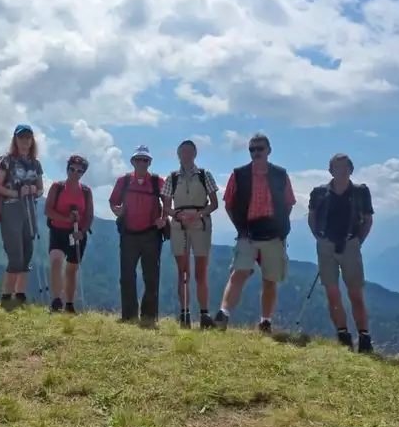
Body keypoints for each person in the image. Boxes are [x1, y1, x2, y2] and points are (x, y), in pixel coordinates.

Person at [214, 133, 296, 333]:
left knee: (270, 280)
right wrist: (240, 228)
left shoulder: (280, 175)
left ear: (268, 151)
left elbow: (288, 203)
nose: (256, 152)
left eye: (260, 148)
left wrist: (280, 226)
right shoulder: (238, 174)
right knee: (238, 274)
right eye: (252, 149)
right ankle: (223, 315)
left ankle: (265, 321)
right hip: (248, 234)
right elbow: (229, 204)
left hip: (273, 235)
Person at [308, 153, 374, 353]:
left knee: (355, 294)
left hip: (349, 244)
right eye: (337, 167)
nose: (341, 171)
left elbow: (368, 220)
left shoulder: (361, 192)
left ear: (351, 169)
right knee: (333, 293)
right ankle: (343, 336)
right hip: (327, 245)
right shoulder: (319, 193)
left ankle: (363, 338)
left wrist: (356, 242)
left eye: (344, 167)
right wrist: (321, 240)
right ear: (331, 171)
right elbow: (311, 219)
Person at [162, 140, 220, 329]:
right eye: (183, 152)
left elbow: (214, 203)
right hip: (179, 225)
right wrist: (178, 215)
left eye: (189, 152)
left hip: (200, 225)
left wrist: (199, 214)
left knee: (200, 272)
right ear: (178, 155)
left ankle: (204, 315)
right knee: (183, 272)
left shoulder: (205, 175)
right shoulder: (172, 178)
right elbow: (166, 206)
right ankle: (185, 314)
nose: (186, 156)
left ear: (195, 154)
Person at [108, 145, 168, 328]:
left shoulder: (158, 181)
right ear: (133, 161)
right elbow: (113, 202)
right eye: (139, 160)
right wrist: (116, 210)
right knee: (127, 275)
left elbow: (167, 201)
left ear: (150, 162)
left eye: (145, 160)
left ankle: (148, 315)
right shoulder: (123, 181)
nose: (142, 163)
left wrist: (164, 218)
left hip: (151, 234)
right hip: (129, 234)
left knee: (151, 276)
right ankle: (129, 315)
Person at [0, 124, 44, 310]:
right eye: (21, 138)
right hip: (11, 209)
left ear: (32, 141)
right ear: (15, 140)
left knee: (27, 253)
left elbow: (40, 189)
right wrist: (15, 193)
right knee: (15, 254)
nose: (25, 141)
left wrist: (32, 190)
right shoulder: (7, 160)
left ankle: (19, 296)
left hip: (30, 210)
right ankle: (7, 297)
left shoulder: (35, 163)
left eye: (28, 138)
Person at [45, 155, 94, 314]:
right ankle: (56, 300)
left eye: (79, 171)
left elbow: (89, 215)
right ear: (67, 169)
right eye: (72, 169)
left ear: (83, 173)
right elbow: (48, 210)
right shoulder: (57, 187)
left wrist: (82, 231)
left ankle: (70, 304)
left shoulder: (86, 191)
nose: (75, 173)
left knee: (71, 269)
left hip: (76, 233)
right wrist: (67, 218)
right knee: (56, 261)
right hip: (58, 230)